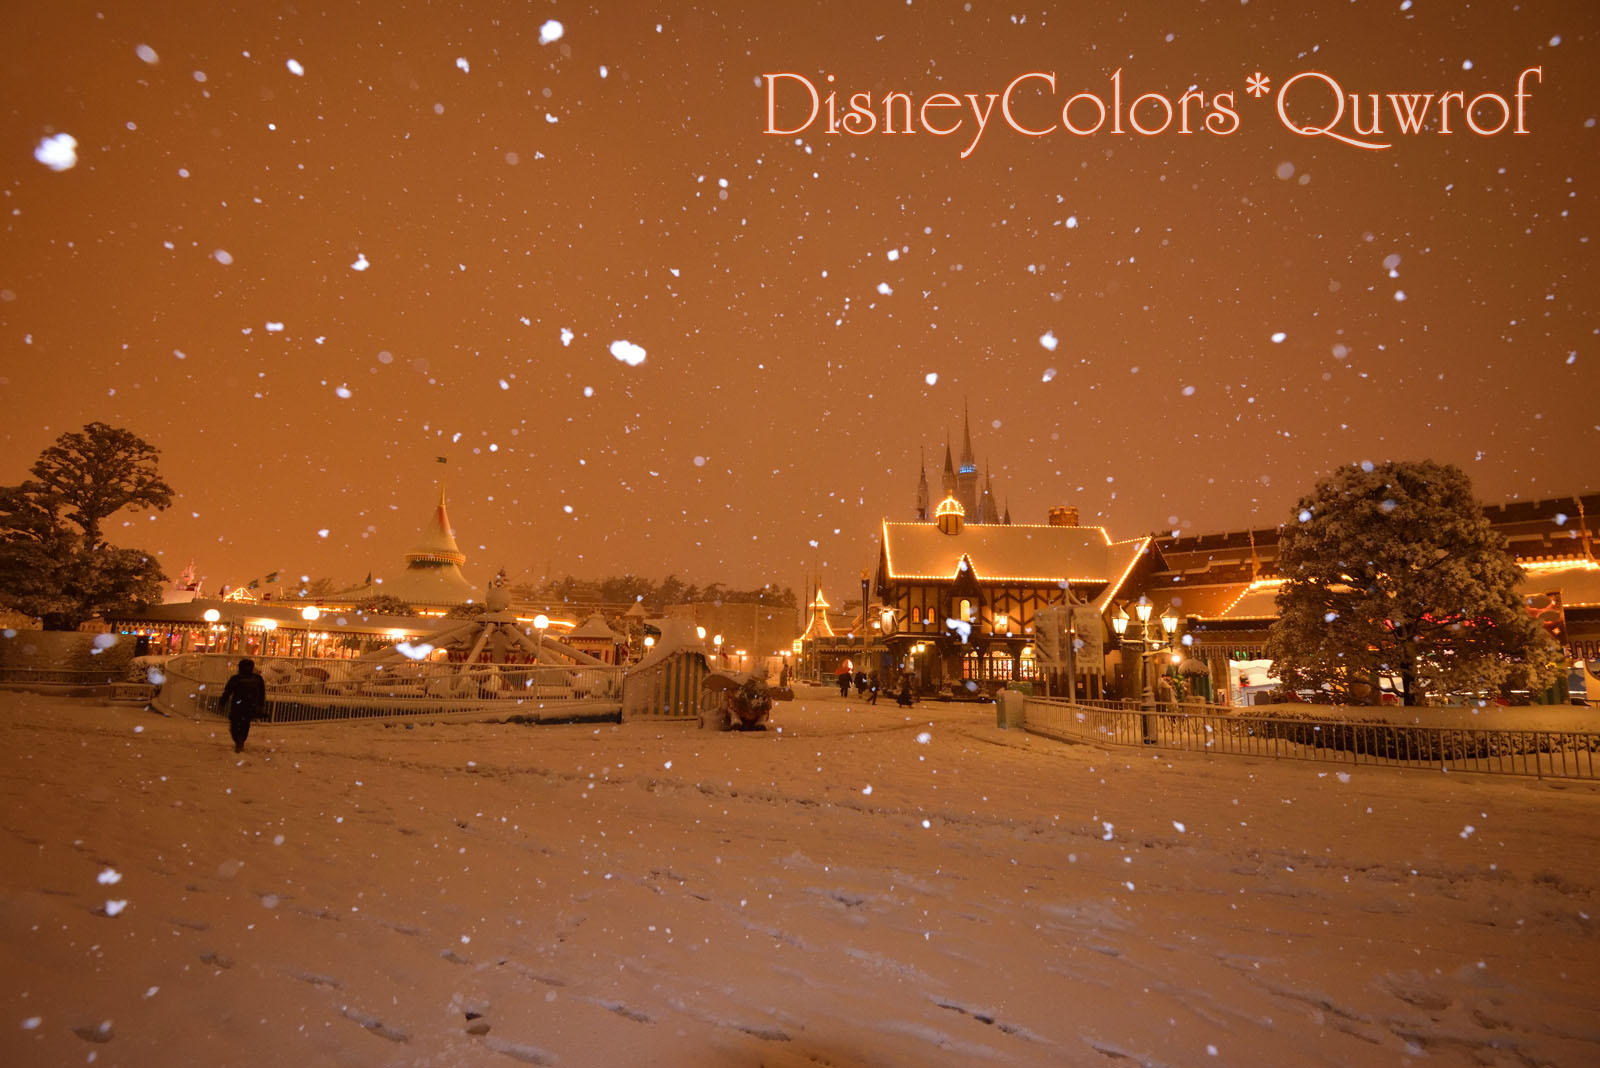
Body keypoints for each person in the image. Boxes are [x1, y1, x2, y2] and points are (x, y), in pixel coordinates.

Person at [220, 658, 268, 753]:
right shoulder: (257, 679)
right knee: (244, 725)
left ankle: (238, 741)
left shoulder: (236, 678)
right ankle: (240, 741)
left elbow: (227, 691)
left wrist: (222, 702)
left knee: (235, 724)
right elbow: (261, 693)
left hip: (238, 705)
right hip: (249, 705)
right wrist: (260, 705)